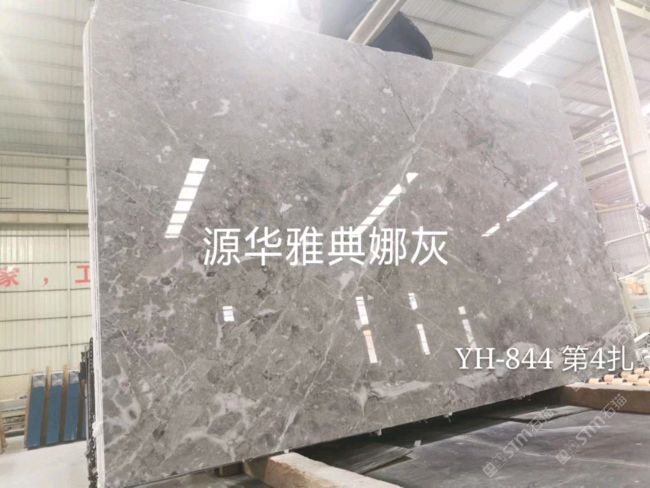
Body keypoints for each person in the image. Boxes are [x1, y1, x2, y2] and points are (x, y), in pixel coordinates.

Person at [298, 0, 433, 60]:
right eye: (310, 14)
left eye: (310, 6)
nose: (314, 11)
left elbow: (327, 35)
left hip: (398, 51)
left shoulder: (336, 9)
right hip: (415, 52)